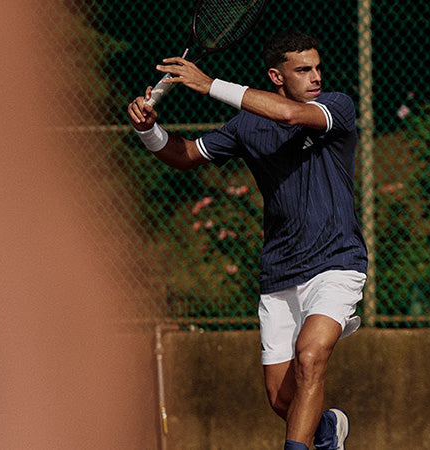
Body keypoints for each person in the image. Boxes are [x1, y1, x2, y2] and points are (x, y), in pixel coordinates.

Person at [127, 29, 367, 450]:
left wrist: (208, 84)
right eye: (303, 70)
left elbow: (290, 116)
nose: (315, 77)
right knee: (280, 398)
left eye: (317, 67)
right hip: (279, 271)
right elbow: (186, 155)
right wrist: (150, 131)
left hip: (336, 262)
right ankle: (327, 428)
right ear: (277, 76)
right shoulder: (247, 126)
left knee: (311, 357)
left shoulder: (336, 107)